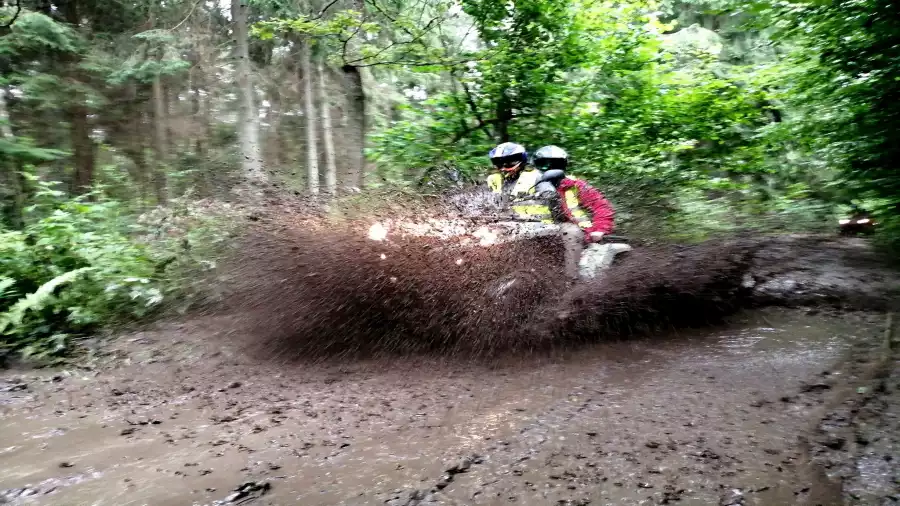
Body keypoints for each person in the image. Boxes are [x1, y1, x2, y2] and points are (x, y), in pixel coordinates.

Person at [486, 143, 616, 280]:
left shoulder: (574, 185)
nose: (550, 168)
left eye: (556, 164)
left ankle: (572, 280)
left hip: (575, 228)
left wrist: (600, 229)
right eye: (543, 165)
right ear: (535, 165)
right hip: (539, 227)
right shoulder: (529, 182)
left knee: (570, 232)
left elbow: (601, 206)